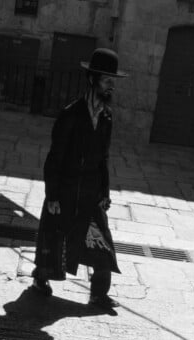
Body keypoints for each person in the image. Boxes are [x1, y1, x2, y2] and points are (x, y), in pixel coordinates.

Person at [31, 48, 127, 310]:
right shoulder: (71, 115)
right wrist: (52, 195)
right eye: (108, 81)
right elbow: (55, 158)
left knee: (102, 244)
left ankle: (98, 294)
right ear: (93, 79)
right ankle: (40, 278)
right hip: (66, 192)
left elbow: (103, 158)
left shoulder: (107, 117)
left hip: (91, 193)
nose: (112, 87)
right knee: (54, 240)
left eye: (113, 82)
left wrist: (105, 191)